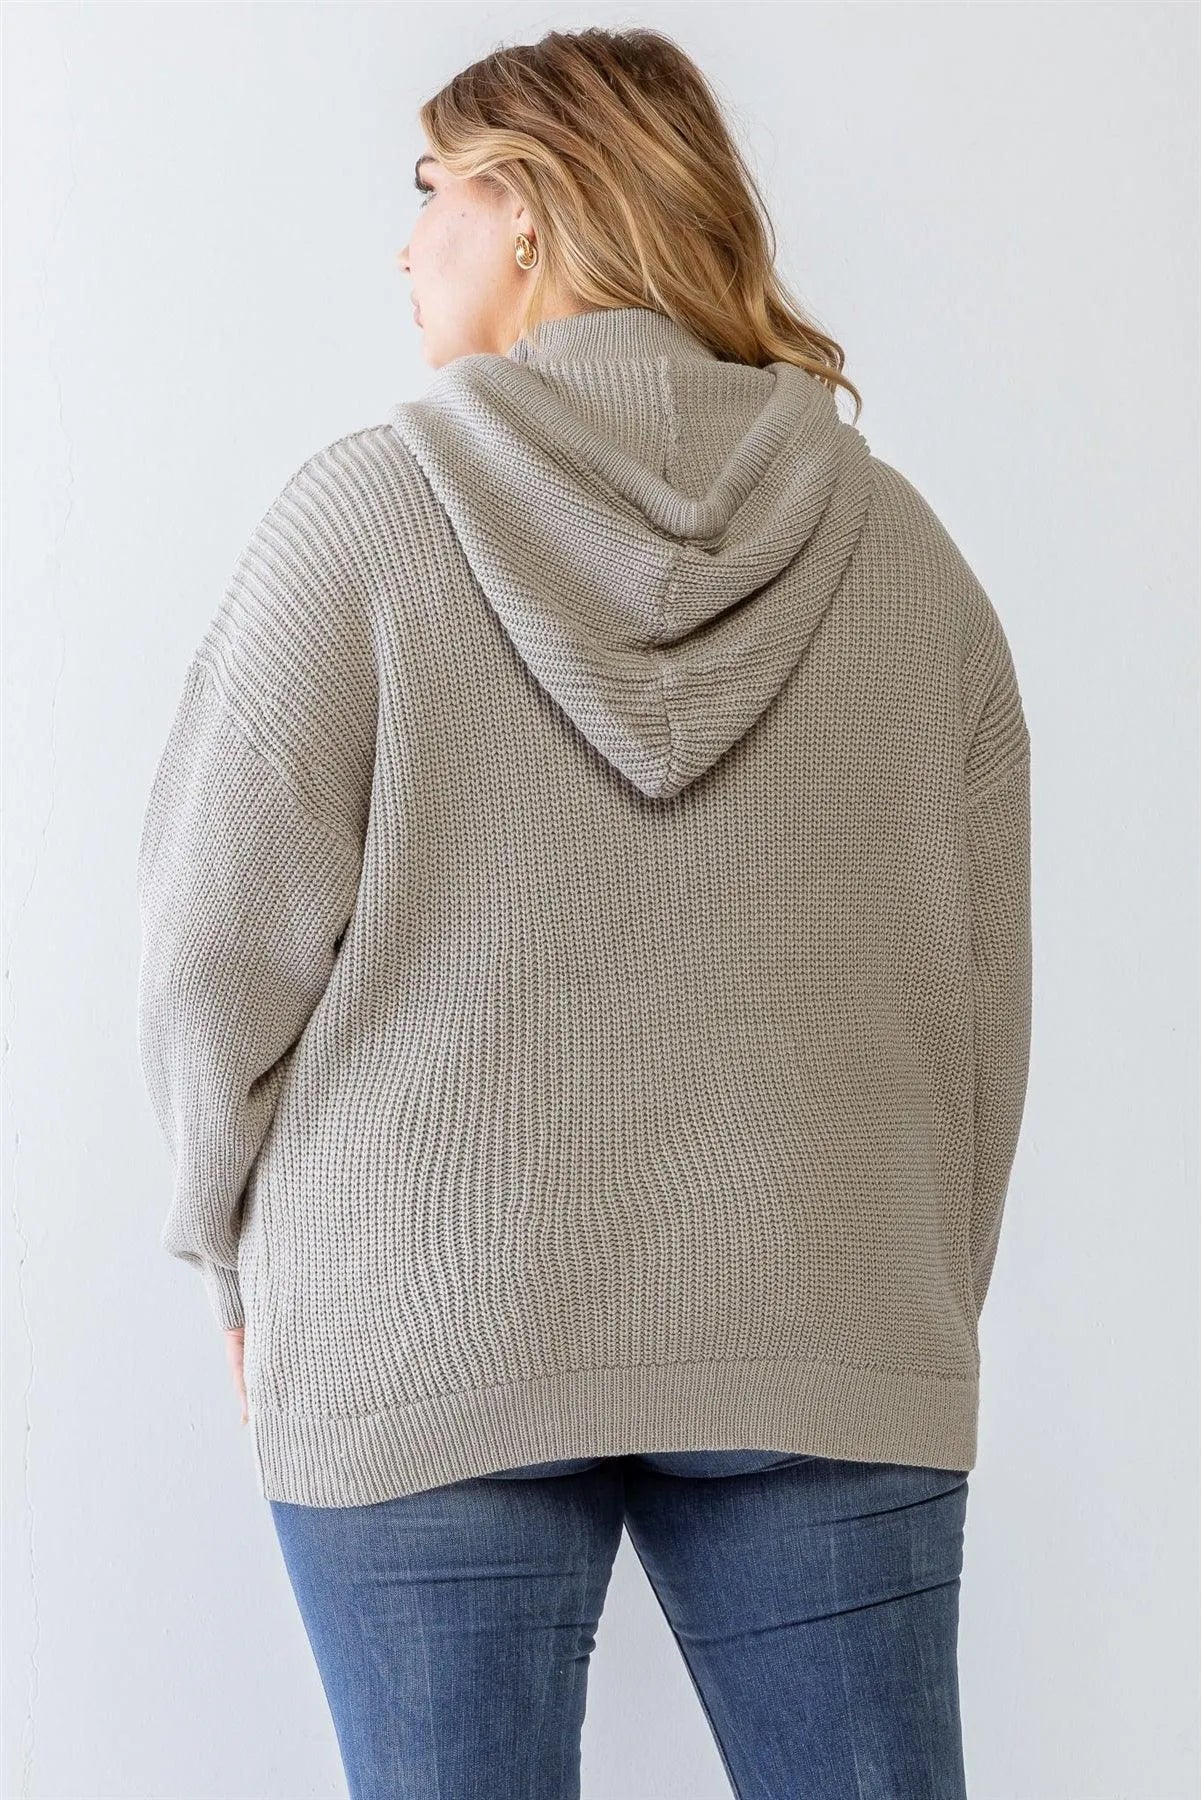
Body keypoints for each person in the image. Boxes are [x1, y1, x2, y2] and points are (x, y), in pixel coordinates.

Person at [135, 24, 1032, 1800]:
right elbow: (977, 1008)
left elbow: (209, 956)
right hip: (822, 1306)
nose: (406, 244)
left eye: (431, 193)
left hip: (419, 1309)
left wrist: (230, 1253)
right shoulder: (901, 553)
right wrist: (896, 1296)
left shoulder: (360, 523)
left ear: (529, 211)